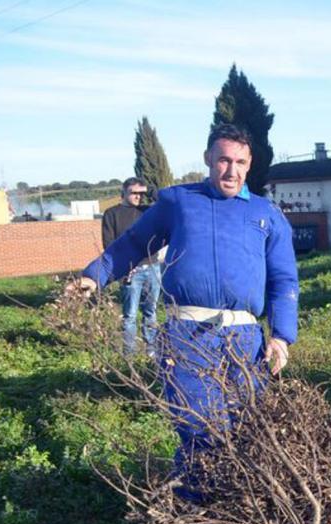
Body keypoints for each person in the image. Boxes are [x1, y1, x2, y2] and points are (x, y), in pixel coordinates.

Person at [67, 124, 299, 502]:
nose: (231, 170)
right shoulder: (178, 203)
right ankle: (194, 516)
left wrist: (281, 336)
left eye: (240, 162)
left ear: (250, 164)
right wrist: (95, 276)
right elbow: (134, 243)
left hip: (246, 340)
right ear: (208, 158)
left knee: (248, 429)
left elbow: (284, 278)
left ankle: (239, 511)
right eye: (223, 159)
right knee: (200, 429)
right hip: (188, 336)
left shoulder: (266, 214)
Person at [101, 177, 162, 357]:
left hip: (152, 267)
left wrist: (150, 190)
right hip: (130, 271)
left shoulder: (148, 211)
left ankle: (152, 353)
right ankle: (130, 356)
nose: (137, 197)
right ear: (123, 193)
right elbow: (109, 244)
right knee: (130, 316)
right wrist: (123, 269)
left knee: (151, 313)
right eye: (133, 193)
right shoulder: (112, 214)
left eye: (140, 194)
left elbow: (166, 204)